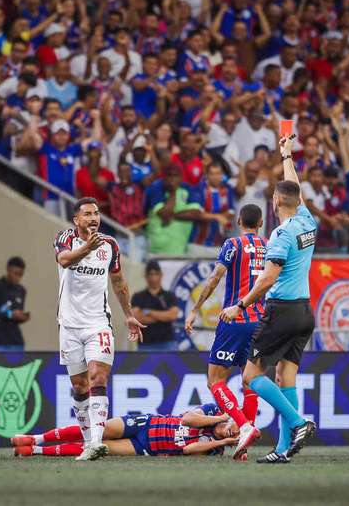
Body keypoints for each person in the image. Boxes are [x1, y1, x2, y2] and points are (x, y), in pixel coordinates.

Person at [219, 134, 317, 464]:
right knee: (284, 377)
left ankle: (299, 422)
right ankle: (284, 449)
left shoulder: (281, 233)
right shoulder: (308, 221)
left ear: (275, 201)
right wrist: (287, 155)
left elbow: (268, 278)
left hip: (281, 311)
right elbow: (294, 188)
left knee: (251, 376)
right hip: (305, 311)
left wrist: (240, 305)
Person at [53, 197, 145, 461]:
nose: (93, 218)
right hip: (69, 326)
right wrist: (86, 249)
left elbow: (118, 281)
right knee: (79, 386)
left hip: (98, 324)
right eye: (87, 214)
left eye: (96, 213)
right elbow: (64, 260)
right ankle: (87, 442)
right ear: (76, 220)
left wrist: (128, 315)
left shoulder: (110, 245)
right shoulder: (65, 239)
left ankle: (96, 441)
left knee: (97, 377)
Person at [185, 204, 267, 461]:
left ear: (239, 220)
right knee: (249, 380)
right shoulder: (270, 245)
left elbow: (214, 278)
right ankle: (244, 446)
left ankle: (244, 426)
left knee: (215, 381)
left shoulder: (232, 244)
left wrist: (195, 309)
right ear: (261, 222)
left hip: (235, 320)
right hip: (261, 322)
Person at [11, 403, 238, 457]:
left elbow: (189, 449)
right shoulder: (213, 410)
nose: (232, 434)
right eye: (234, 429)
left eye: (236, 437)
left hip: (145, 447)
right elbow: (188, 419)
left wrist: (220, 444)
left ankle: (34, 451)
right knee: (94, 430)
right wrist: (221, 417)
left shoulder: (214, 449)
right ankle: (35, 437)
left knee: (96, 446)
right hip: (147, 423)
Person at [130, 260, 180, 351]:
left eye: (156, 274)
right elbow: (137, 319)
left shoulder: (169, 296)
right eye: (151, 274)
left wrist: (148, 312)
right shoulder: (138, 297)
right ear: (146, 276)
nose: (153, 278)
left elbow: (173, 315)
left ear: (161, 275)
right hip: (145, 344)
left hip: (167, 343)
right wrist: (163, 317)